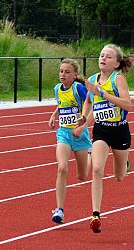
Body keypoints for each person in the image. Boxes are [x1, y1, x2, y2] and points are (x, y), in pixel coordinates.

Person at [76, 44, 134, 233]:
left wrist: (103, 93)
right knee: (97, 169)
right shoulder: (92, 80)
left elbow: (128, 105)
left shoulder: (118, 78)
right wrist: (84, 118)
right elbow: (88, 102)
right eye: (102, 55)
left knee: (119, 176)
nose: (103, 58)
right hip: (101, 130)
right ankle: (95, 214)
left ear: (116, 63)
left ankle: (125, 162)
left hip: (119, 131)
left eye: (108, 57)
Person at [48, 58, 92, 224]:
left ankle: (91, 152)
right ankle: (59, 210)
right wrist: (54, 115)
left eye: (67, 72)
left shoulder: (78, 88)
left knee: (82, 176)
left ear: (75, 75)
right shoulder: (56, 89)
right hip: (64, 134)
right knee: (62, 168)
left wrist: (83, 122)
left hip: (80, 135)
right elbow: (62, 104)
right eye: (61, 71)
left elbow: (90, 104)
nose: (63, 75)